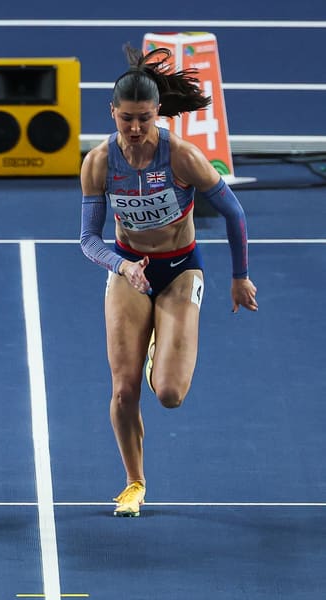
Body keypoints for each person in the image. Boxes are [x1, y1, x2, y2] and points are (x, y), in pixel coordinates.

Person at [79, 46, 258, 517]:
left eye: (143, 119)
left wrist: (240, 277)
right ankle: (134, 482)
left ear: (158, 113)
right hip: (129, 271)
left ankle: (162, 337)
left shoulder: (182, 157)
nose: (135, 130)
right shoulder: (99, 163)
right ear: (112, 113)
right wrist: (121, 267)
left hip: (180, 271)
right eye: (126, 120)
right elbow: (87, 239)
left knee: (170, 395)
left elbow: (234, 213)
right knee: (123, 389)